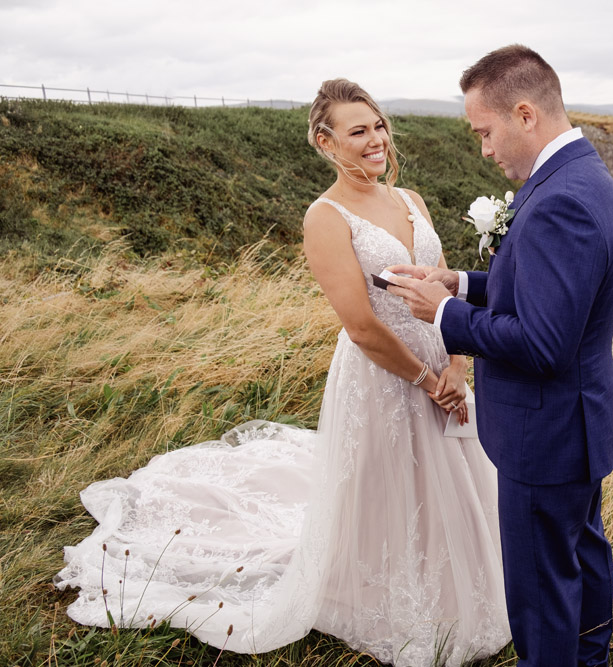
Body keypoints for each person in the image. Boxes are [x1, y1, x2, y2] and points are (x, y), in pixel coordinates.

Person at [55, 79, 511, 666]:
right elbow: (362, 325)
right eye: (358, 132)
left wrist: (454, 363)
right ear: (326, 142)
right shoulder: (325, 218)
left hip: (441, 362)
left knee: (455, 482)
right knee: (389, 487)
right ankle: (385, 595)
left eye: (378, 126)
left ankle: (463, 590)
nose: (376, 140)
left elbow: (445, 286)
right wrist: (426, 382)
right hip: (382, 376)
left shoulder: (412, 200)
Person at [388, 45, 613, 667]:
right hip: (574, 422)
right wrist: (461, 285)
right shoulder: (576, 176)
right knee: (581, 553)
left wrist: (443, 318)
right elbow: (548, 292)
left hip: (543, 430)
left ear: (524, 114)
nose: (484, 150)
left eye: (485, 132)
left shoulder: (560, 201)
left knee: (539, 587)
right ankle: (589, 658)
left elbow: (544, 344)